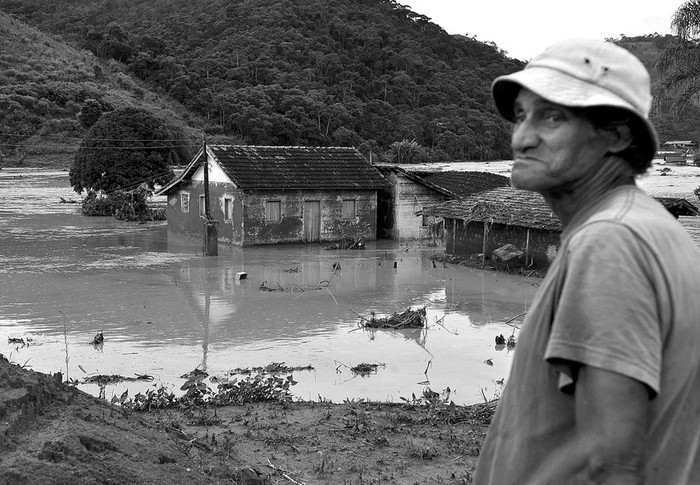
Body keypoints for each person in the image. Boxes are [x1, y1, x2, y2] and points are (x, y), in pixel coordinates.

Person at [473, 38, 700, 484]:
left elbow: (612, 463)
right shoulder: (647, 227)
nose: (523, 136)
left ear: (617, 135)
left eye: (552, 116)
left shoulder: (609, 243)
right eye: (521, 115)